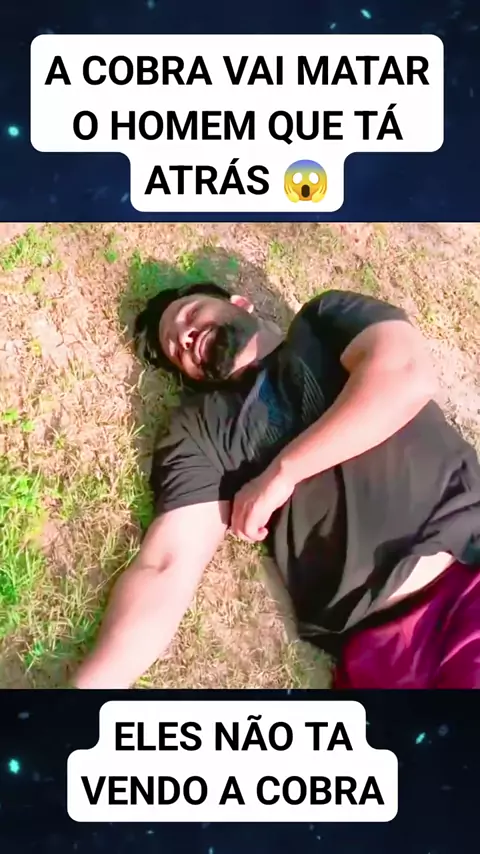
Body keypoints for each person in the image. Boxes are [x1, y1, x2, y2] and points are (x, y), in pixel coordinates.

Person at [73, 283, 480, 689]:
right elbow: (166, 566)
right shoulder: (200, 433)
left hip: (465, 570)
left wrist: (283, 474)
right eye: (175, 347)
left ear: (240, 303)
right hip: (381, 654)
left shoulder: (323, 321)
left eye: (192, 314)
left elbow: (407, 378)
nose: (186, 335)